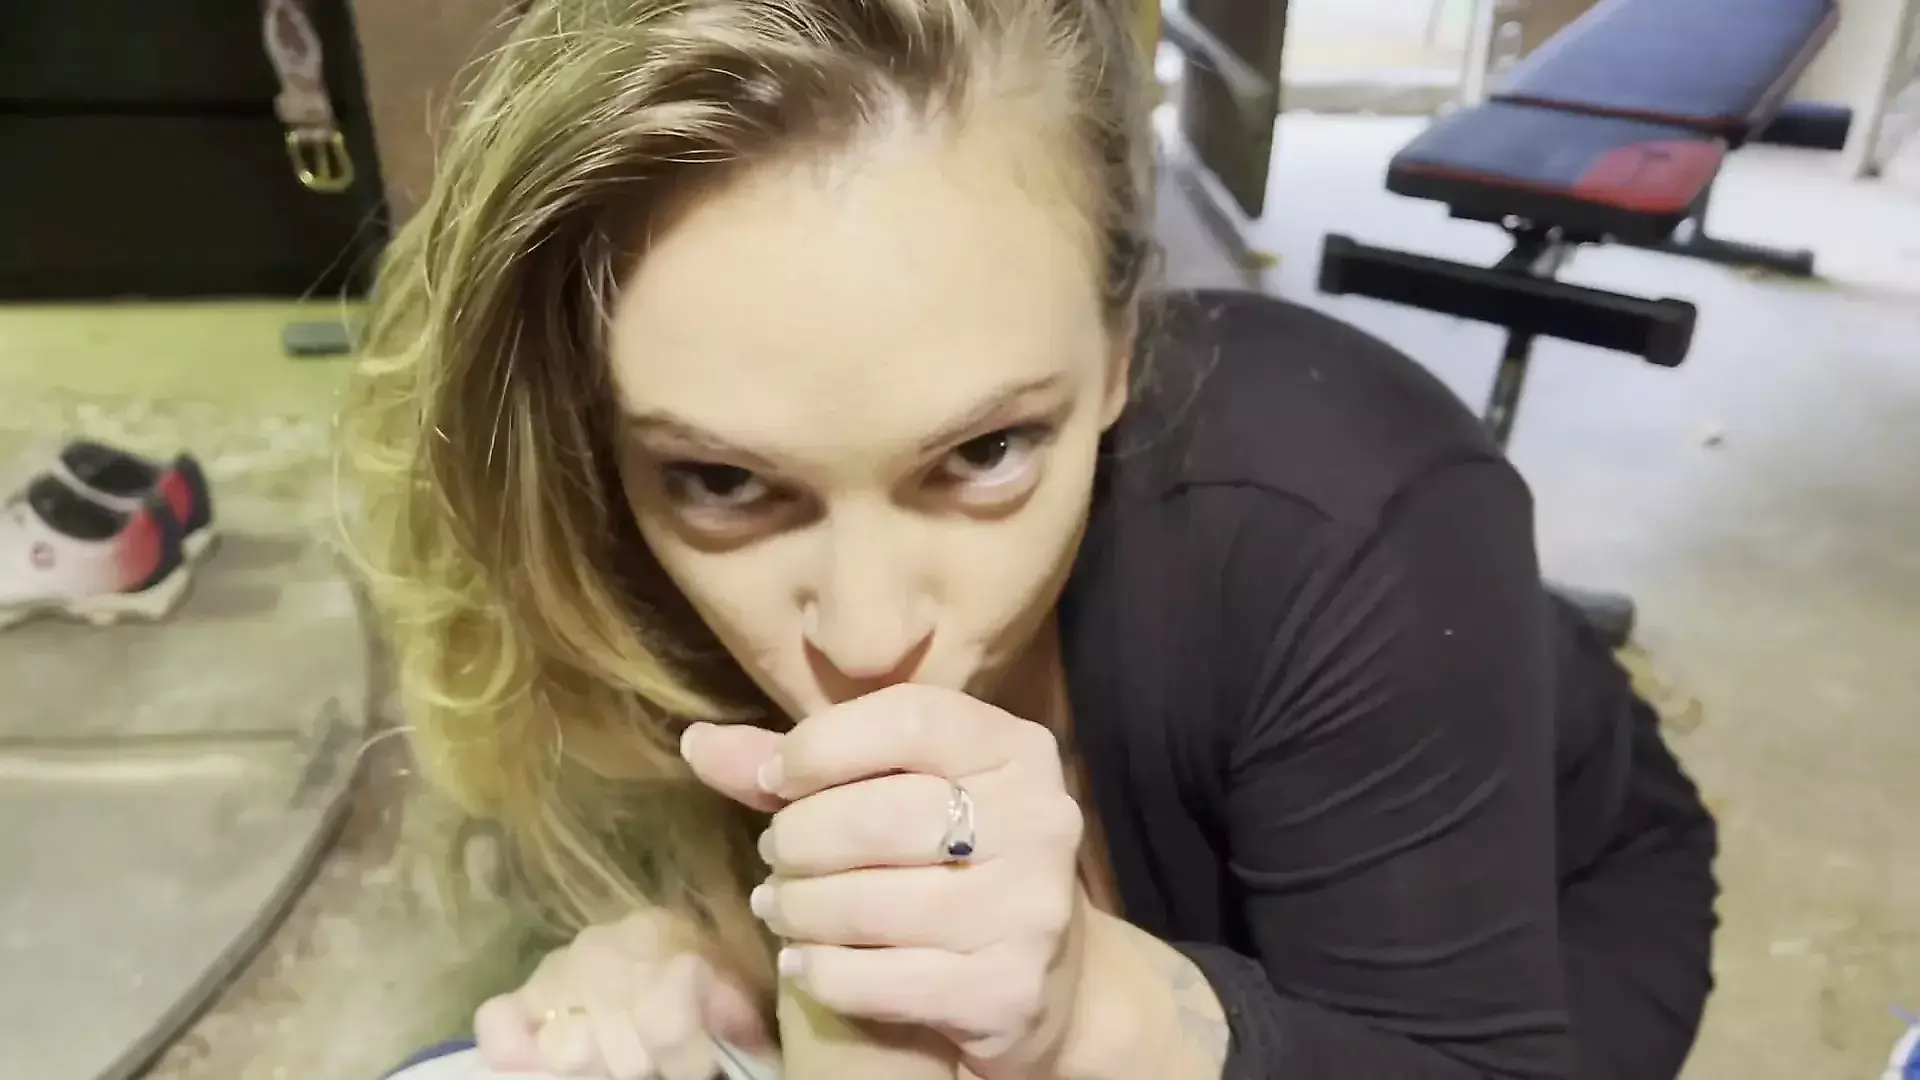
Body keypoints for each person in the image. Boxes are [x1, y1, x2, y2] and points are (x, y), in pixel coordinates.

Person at [344, 0, 1721, 1077]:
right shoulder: (600, 542)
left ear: (1120, 346)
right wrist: (713, 966)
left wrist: (1107, 1012)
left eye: (986, 451)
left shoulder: (1357, 515)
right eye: (721, 481)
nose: (868, 639)